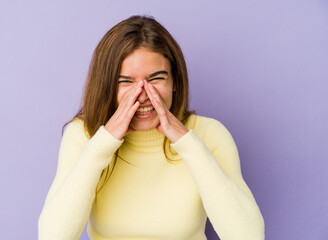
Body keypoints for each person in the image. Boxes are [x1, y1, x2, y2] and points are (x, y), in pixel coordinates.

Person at [38, 15, 265, 240]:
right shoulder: (83, 135)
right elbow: (52, 236)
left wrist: (188, 143)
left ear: (174, 81)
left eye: (156, 79)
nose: (144, 95)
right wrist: (102, 144)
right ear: (107, 85)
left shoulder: (210, 134)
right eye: (125, 82)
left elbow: (248, 236)